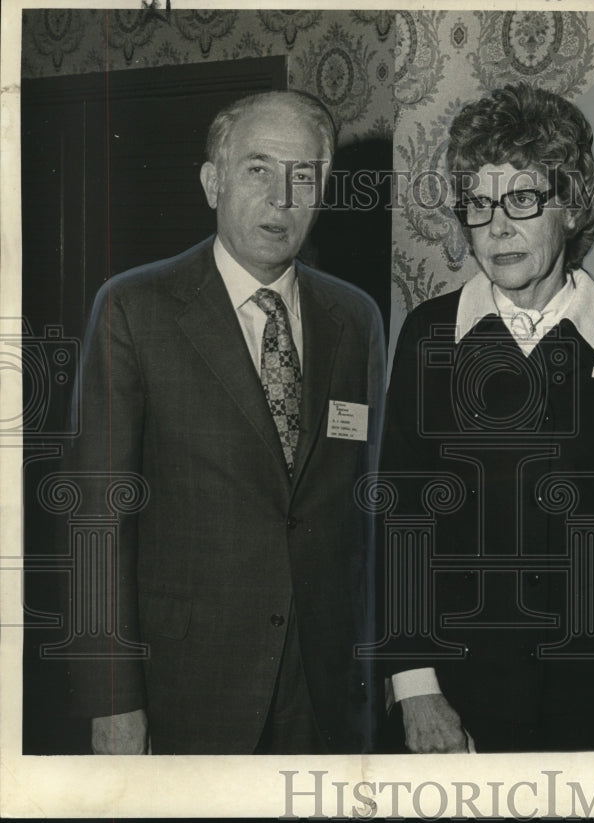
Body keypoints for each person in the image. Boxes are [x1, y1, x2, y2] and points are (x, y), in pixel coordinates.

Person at [64, 90, 385, 754]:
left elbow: (362, 509)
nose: (282, 198)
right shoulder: (135, 309)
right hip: (188, 683)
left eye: (304, 176)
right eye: (258, 169)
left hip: (324, 685)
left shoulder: (355, 318)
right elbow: (98, 517)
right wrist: (112, 700)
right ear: (213, 182)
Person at [376, 83, 594, 752]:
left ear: (568, 207)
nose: (498, 227)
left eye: (523, 200)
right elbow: (399, 518)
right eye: (479, 205)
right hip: (453, 696)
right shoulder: (429, 336)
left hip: (586, 700)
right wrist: (416, 688)